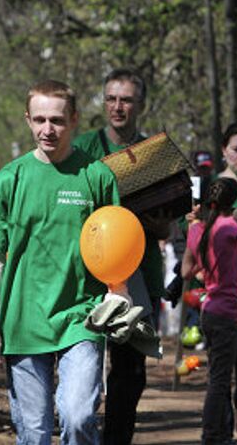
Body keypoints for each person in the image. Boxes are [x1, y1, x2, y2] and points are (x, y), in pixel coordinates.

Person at [0, 79, 119, 444]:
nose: (47, 129)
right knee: (34, 433)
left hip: (81, 317)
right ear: (27, 120)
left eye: (56, 120)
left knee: (78, 415)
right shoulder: (10, 180)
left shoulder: (97, 176)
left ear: (74, 120)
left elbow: (117, 245)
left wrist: (120, 293)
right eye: (39, 120)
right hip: (23, 323)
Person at [73, 68, 171, 445]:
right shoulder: (82, 149)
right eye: (111, 98)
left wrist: (154, 221)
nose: (118, 107)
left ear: (140, 105)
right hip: (87, 278)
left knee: (130, 373)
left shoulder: (154, 156)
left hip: (139, 278)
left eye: (126, 99)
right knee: (83, 364)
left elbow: (167, 230)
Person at [181, 178, 237, 445]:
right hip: (228, 312)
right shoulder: (230, 226)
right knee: (219, 381)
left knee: (218, 376)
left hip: (209, 310)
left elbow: (185, 272)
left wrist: (203, 267)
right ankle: (212, 435)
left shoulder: (197, 230)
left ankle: (218, 433)